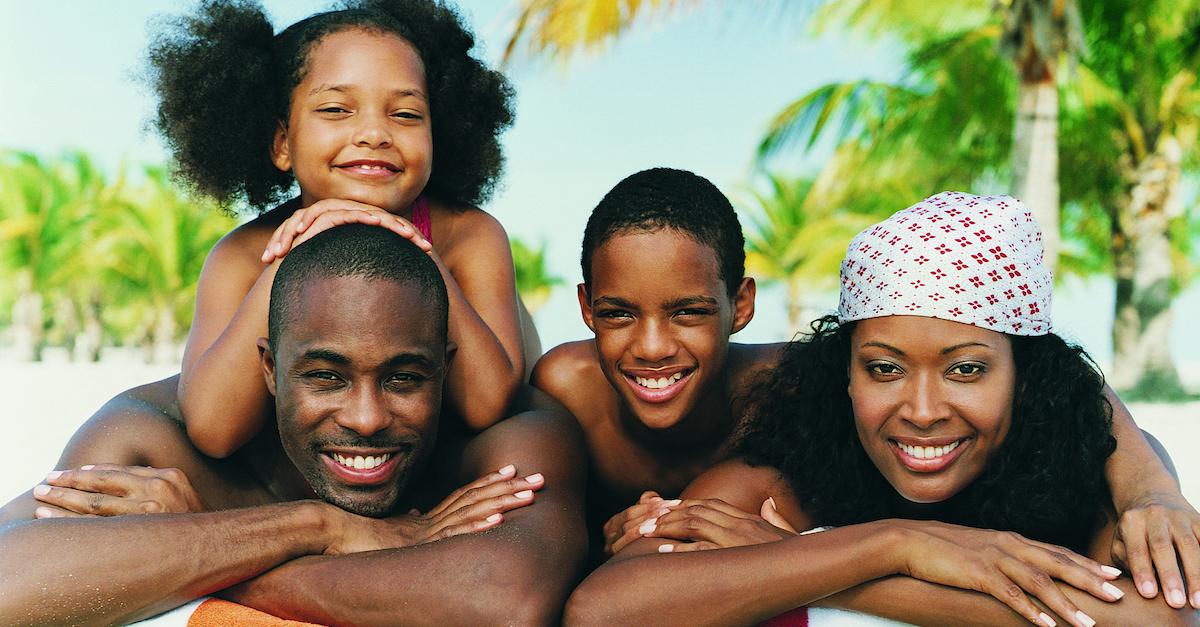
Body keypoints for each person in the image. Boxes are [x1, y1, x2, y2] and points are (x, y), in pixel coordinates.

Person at [534, 170, 1200, 601]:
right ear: (843, 373)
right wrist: (898, 544)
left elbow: (1161, 622)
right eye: (883, 367)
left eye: (967, 367)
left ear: (1030, 377)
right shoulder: (793, 452)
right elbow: (609, 608)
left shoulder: (1090, 469)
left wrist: (818, 565)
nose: (923, 409)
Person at [0, 225, 587, 626]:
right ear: (270, 369)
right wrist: (312, 527)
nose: (366, 418)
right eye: (326, 377)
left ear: (445, 369)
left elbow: (504, 602)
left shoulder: (512, 439)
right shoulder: (153, 436)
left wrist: (197, 551)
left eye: (405, 378)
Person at [151, 0, 532, 461]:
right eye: (335, 109)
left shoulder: (468, 237)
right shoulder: (244, 256)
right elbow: (214, 429)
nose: (375, 133)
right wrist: (288, 261)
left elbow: (486, 406)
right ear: (282, 143)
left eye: (407, 115)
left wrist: (417, 251)